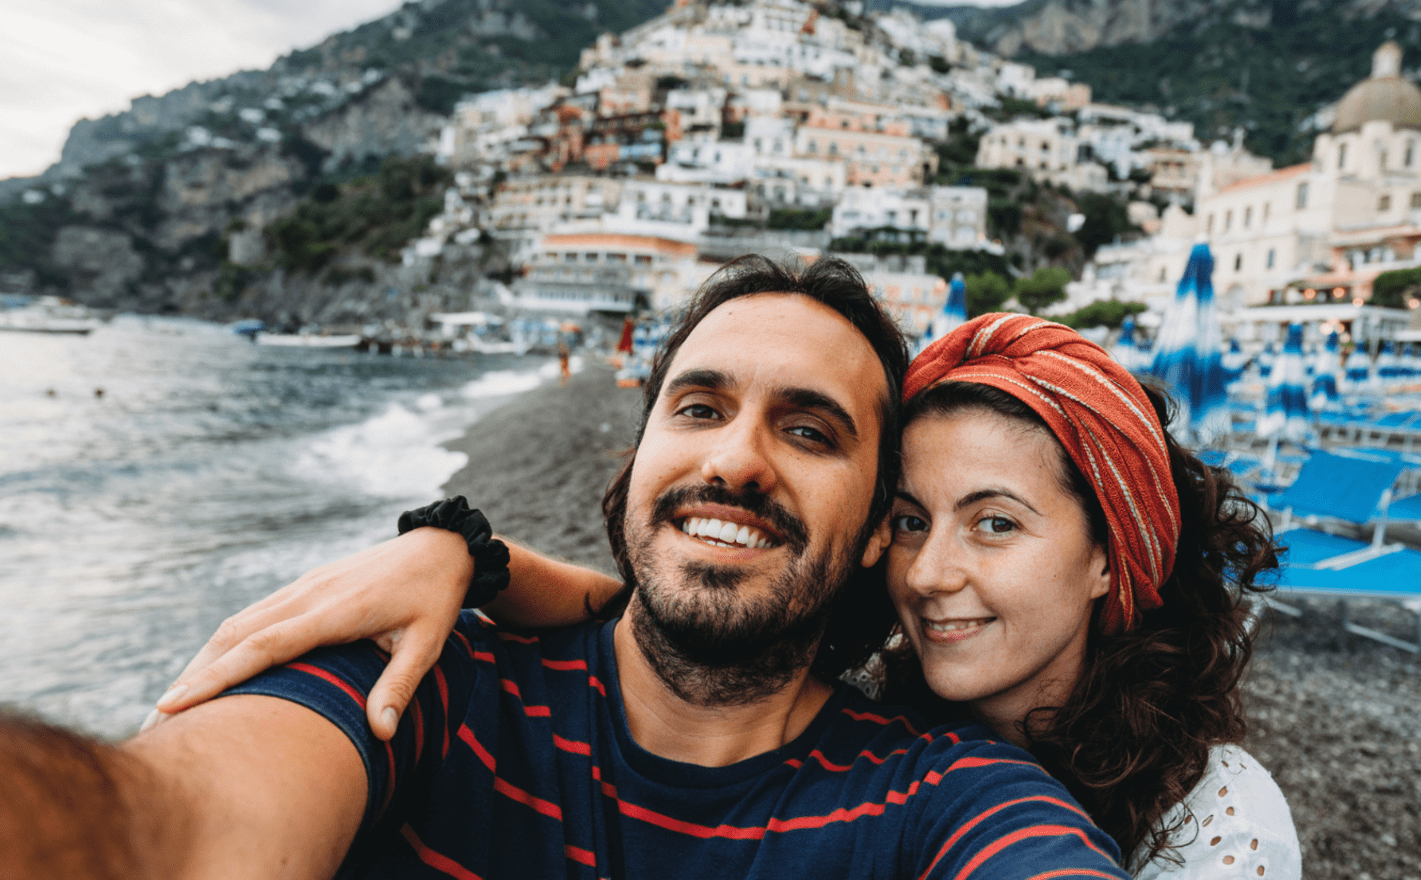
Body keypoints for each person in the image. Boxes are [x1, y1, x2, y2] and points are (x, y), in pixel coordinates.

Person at [8, 257, 1127, 880]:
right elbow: (166, 821)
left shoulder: (941, 798)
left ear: (881, 524)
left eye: (809, 430)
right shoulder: (424, 681)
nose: (733, 459)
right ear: (638, 456)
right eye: (698, 407)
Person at [156, 310, 1299, 877]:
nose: (934, 572)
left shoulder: (1192, 811)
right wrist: (467, 551)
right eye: (910, 521)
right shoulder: (424, 686)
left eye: (995, 523)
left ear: (1111, 558)